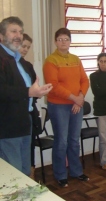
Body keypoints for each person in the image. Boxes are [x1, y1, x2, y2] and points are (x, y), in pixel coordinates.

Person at [0, 16, 52, 176]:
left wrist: (37, 91)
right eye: (13, 31)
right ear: (1, 36)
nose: (18, 35)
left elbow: (27, 90)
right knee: (13, 175)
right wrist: (29, 92)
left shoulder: (19, 61)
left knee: (25, 171)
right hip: (7, 126)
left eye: (20, 32)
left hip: (24, 121)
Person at [43, 27, 90, 187]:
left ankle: (76, 171)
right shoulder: (51, 61)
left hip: (76, 105)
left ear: (70, 41)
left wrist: (81, 97)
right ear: (56, 42)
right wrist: (75, 99)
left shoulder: (76, 59)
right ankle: (60, 174)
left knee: (74, 141)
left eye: (66, 39)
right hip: (59, 106)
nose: (63, 42)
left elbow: (84, 80)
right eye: (60, 39)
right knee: (61, 141)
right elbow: (54, 86)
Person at [19, 33, 43, 179]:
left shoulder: (28, 66)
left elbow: (35, 89)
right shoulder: (7, 65)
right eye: (23, 46)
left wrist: (40, 91)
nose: (25, 49)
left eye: (28, 47)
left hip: (29, 112)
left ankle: (31, 175)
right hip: (15, 114)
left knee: (30, 146)